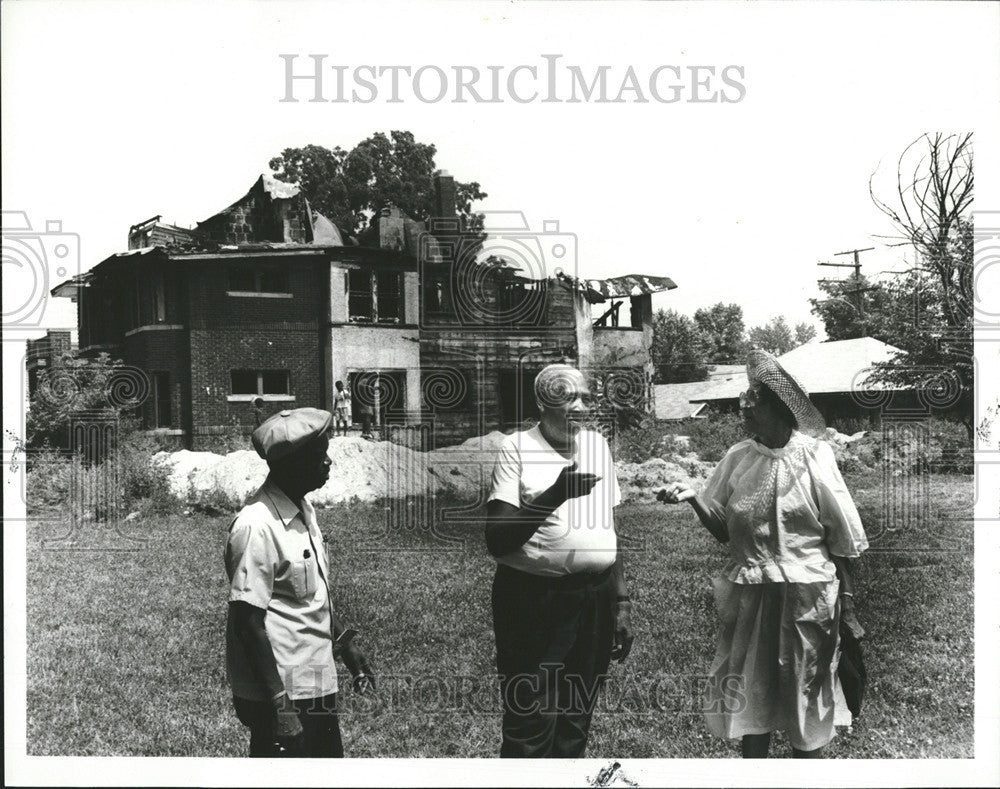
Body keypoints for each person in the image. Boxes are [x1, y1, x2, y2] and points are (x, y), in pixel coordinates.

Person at [658, 351, 867, 758]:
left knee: (804, 693)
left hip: (807, 597)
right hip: (752, 595)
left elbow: (841, 539)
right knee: (752, 694)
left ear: (778, 407)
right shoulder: (739, 456)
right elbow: (722, 530)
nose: (743, 408)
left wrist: (851, 609)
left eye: (752, 400)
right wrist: (693, 500)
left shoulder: (814, 455)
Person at [485, 364, 634, 758]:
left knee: (576, 720)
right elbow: (497, 540)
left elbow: (608, 527)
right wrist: (555, 494)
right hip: (535, 600)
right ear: (541, 403)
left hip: (595, 598)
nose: (581, 407)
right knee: (531, 721)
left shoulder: (597, 447)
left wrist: (620, 602)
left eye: (585, 397)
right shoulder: (516, 447)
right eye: (568, 398)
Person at [224, 407, 375, 757]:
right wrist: (280, 706)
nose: (328, 463)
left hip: (316, 679)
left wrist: (344, 644)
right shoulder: (256, 526)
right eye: (319, 456)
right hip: (285, 690)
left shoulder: (303, 510)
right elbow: (247, 622)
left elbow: (312, 592)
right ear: (290, 465)